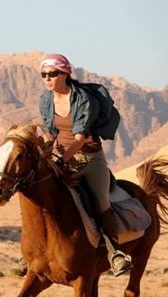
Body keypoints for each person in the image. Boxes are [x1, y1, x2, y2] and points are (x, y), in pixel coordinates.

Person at [38, 53, 132, 276]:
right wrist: (43, 152)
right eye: (43, 75)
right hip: (61, 156)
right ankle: (34, 253)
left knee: (100, 201)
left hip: (89, 158)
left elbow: (80, 139)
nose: (47, 79)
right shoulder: (45, 99)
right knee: (42, 195)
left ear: (65, 74)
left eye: (52, 74)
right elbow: (51, 134)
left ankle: (115, 253)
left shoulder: (82, 99)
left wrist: (60, 160)